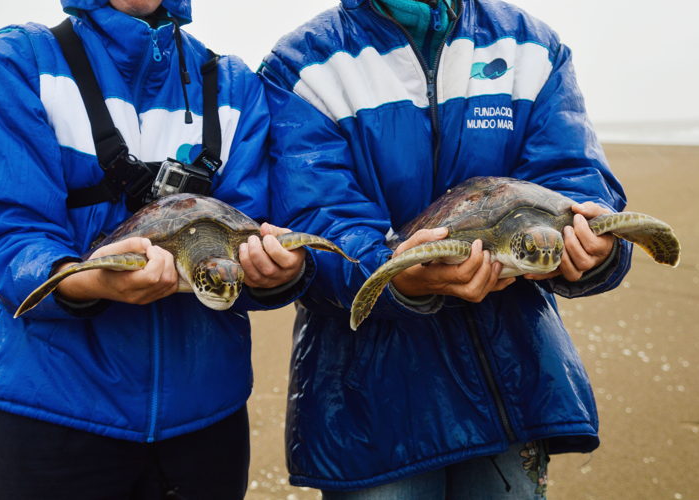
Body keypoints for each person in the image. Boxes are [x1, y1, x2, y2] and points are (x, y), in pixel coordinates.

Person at [259, 0, 634, 498]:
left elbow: (575, 181)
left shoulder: (532, 47)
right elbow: (314, 225)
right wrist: (395, 275)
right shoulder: (302, 65)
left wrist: (596, 250)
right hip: (371, 404)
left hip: (513, 385)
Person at [0, 0, 311, 498]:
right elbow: (12, 232)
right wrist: (82, 279)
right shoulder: (20, 61)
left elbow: (265, 234)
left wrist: (280, 275)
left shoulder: (233, 84)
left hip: (206, 426)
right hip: (51, 415)